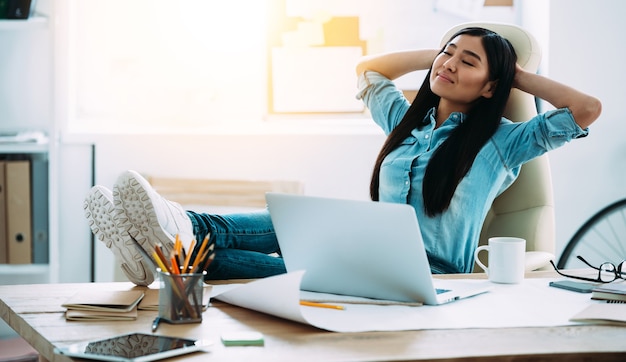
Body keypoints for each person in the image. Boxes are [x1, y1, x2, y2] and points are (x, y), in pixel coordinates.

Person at [84, 22, 602, 286]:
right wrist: (440, 51)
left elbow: (585, 109)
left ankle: (165, 242)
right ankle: (174, 231)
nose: (448, 64)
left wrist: (510, 74)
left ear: (491, 86)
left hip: (426, 276)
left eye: (467, 62)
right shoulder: (406, 119)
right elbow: (368, 70)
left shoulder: (504, 141)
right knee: (291, 217)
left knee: (293, 265)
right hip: (370, 248)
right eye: (448, 53)